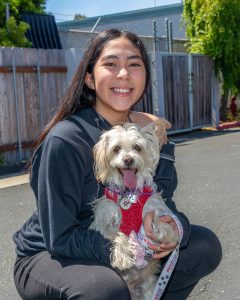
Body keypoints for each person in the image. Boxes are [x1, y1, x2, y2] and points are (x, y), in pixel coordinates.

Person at [13, 29, 222, 300]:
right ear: (89, 78)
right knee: (105, 290)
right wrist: (127, 248)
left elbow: (164, 199)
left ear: (145, 77)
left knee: (204, 246)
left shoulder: (148, 133)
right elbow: (60, 237)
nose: (123, 74)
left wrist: (173, 228)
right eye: (111, 64)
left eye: (134, 64)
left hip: (126, 241)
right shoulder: (65, 140)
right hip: (50, 254)